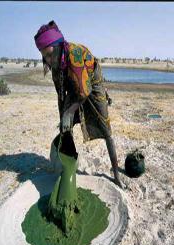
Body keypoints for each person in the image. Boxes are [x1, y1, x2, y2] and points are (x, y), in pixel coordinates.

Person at [34, 20, 123, 188]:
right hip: (75, 85)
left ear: (58, 45)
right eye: (44, 55)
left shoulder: (74, 55)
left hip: (92, 84)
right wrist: (64, 118)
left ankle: (117, 175)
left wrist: (69, 112)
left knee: (105, 128)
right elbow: (61, 94)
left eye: (49, 53)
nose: (47, 58)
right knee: (66, 123)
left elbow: (84, 92)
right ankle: (69, 160)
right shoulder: (55, 63)